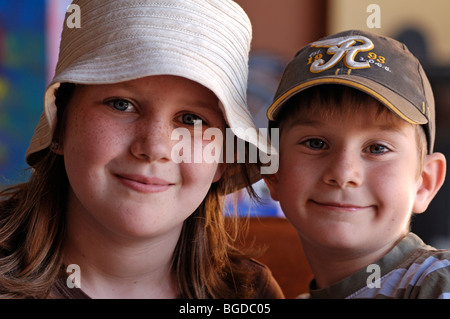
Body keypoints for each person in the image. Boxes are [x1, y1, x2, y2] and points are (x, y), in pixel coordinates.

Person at [0, 0, 283, 299]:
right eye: (122, 105)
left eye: (191, 119)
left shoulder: (248, 295)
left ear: (223, 158)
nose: (154, 147)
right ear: (59, 125)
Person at [264, 29, 450, 298]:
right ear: (273, 172)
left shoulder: (439, 283)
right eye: (316, 143)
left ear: (424, 183)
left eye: (377, 148)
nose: (342, 173)